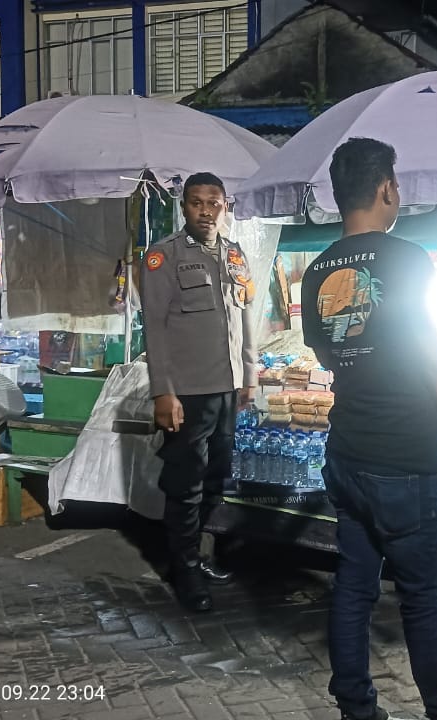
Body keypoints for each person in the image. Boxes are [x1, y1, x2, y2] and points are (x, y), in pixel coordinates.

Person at [300, 138, 437, 720]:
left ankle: (356, 707)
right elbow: (436, 356)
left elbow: (326, 354)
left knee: (354, 589)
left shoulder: (315, 271)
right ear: (385, 188)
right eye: (397, 184)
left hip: (348, 453)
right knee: (424, 602)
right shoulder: (408, 259)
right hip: (406, 460)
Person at [141, 172, 257, 613]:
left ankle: (197, 553)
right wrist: (162, 393)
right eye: (196, 203)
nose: (205, 210)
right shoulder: (162, 257)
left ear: (224, 206)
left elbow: (244, 315)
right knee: (185, 485)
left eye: (214, 202)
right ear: (184, 207)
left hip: (227, 389)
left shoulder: (233, 254)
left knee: (216, 477)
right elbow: (154, 327)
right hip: (186, 392)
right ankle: (184, 568)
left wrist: (248, 375)